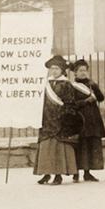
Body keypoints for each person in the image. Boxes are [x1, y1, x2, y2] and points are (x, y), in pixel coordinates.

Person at [34, 55, 79, 185]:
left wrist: (63, 117)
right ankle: (46, 173)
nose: (54, 71)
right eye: (52, 68)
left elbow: (70, 104)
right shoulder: (46, 84)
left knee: (58, 148)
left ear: (62, 71)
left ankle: (58, 175)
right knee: (46, 147)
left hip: (59, 121)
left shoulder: (66, 84)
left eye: (57, 69)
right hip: (46, 120)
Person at [69, 59, 105, 182]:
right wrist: (85, 101)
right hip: (79, 120)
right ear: (75, 73)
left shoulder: (91, 85)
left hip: (93, 119)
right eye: (80, 71)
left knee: (90, 145)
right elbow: (71, 104)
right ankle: (76, 173)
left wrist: (95, 87)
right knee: (80, 146)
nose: (83, 73)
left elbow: (101, 98)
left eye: (85, 70)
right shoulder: (72, 86)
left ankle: (87, 172)